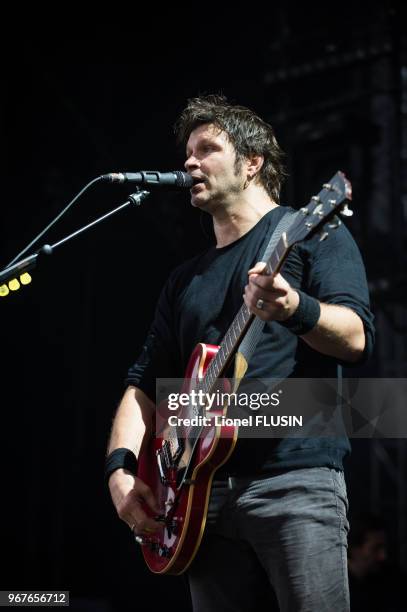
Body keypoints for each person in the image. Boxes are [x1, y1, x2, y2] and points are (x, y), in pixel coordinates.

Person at [106, 95, 375, 611]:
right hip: (198, 501)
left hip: (294, 484)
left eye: (207, 149)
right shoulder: (185, 279)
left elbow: (358, 338)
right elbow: (142, 384)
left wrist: (295, 308)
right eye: (187, 151)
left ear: (252, 163)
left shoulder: (311, 234)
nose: (189, 162)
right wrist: (121, 471)